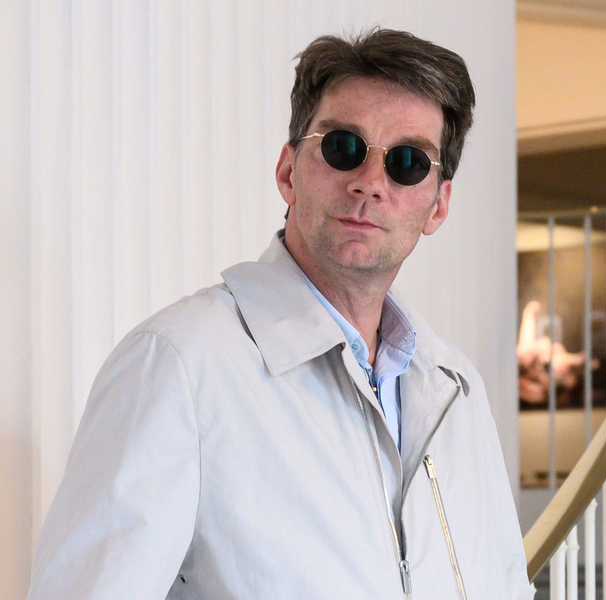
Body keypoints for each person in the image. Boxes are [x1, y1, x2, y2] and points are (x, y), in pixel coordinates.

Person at [27, 28, 530, 599]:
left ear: (438, 204)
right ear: (289, 171)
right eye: (343, 146)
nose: (369, 183)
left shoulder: (456, 390)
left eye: (408, 162)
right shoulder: (180, 366)